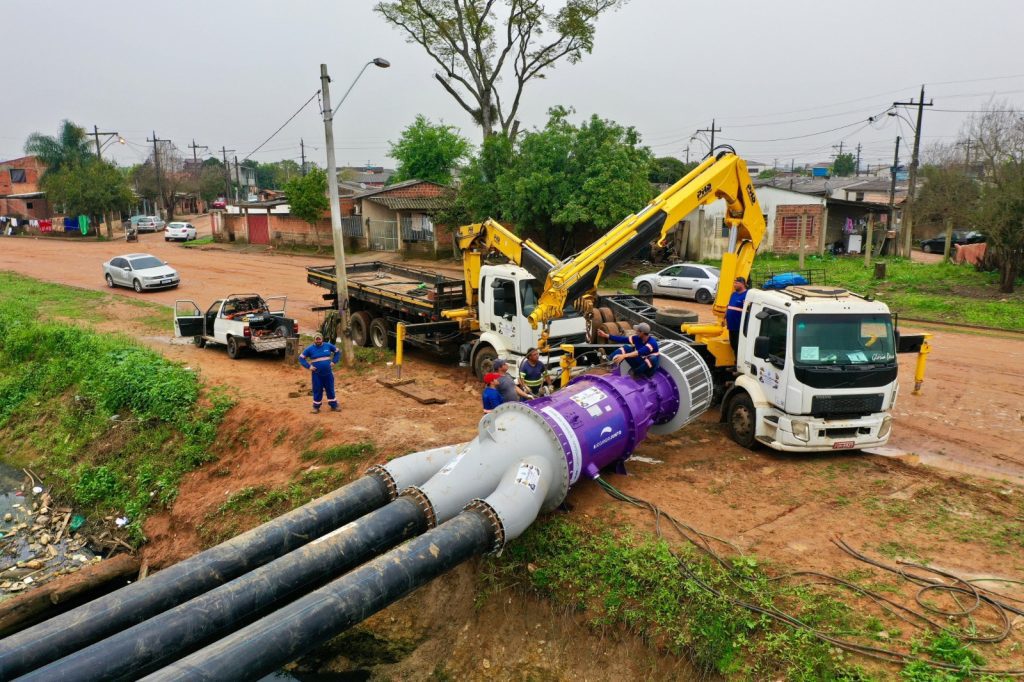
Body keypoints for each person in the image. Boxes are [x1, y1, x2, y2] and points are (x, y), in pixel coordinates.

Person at [299, 332, 340, 413]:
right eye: (316, 339)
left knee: (330, 389)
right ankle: (316, 407)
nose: (318, 341)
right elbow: (301, 358)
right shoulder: (309, 349)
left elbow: (337, 352)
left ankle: (334, 406)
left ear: (322, 339)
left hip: (328, 373)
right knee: (317, 389)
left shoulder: (328, 345)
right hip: (317, 374)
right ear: (314, 340)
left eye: (319, 339)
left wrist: (334, 361)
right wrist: (309, 366)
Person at [726, 276, 749, 355]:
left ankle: (738, 364)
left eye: (736, 283)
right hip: (731, 325)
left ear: (742, 284)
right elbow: (729, 306)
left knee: (738, 346)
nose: (734, 285)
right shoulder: (733, 294)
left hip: (739, 327)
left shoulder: (747, 295)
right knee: (733, 345)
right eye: (734, 283)